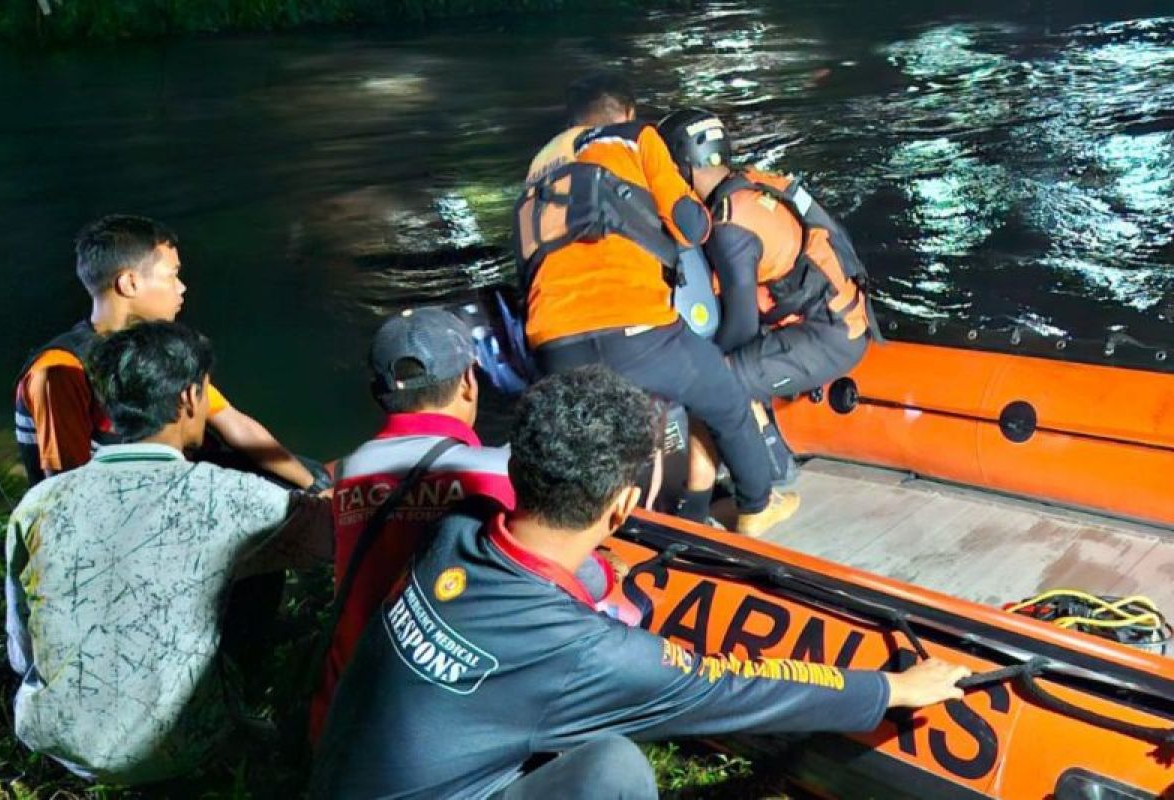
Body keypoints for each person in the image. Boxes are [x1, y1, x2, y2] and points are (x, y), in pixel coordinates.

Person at [310, 365, 971, 799]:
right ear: (623, 507)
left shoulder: (453, 535)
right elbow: (735, 686)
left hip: (338, 777)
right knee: (615, 770)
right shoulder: (585, 653)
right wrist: (889, 687)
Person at [5, 322, 333, 785]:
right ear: (188, 400)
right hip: (177, 745)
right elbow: (335, 539)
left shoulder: (38, 503)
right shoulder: (233, 495)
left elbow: (22, 649)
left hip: (55, 738)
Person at [310, 306, 623, 740]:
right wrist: (607, 571)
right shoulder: (497, 470)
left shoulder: (346, 472)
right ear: (469, 383)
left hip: (346, 716)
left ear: (376, 393)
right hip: (453, 720)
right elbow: (573, 575)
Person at [513, 73, 796, 536]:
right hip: (637, 330)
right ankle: (756, 505)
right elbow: (689, 225)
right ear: (624, 113)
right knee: (725, 397)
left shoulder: (541, 166)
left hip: (553, 342)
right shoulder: (633, 138)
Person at [658, 108, 880, 504]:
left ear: (682, 166)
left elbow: (741, 328)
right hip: (831, 320)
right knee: (723, 367)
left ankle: (771, 472)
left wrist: (691, 366)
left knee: (715, 380)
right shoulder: (746, 187)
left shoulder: (730, 228)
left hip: (827, 336)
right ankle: (746, 455)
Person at [13, 214, 318, 491]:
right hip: (118, 503)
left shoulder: (149, 353)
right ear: (129, 282)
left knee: (302, 473)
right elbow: (66, 483)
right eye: (172, 275)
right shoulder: (61, 369)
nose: (182, 288)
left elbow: (234, 424)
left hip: (155, 482)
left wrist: (314, 485)